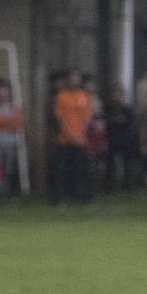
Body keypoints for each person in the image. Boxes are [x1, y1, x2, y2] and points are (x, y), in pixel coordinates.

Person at [50, 70, 94, 204]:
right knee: (62, 170)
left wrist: (80, 135)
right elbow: (60, 119)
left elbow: (87, 118)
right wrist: (70, 135)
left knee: (80, 170)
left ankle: (80, 197)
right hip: (64, 140)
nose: (74, 81)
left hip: (81, 140)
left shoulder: (84, 96)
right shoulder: (61, 97)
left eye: (77, 78)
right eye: (72, 78)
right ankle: (61, 197)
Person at [104, 83, 137, 191]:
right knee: (111, 163)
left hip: (125, 140)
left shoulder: (127, 110)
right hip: (112, 139)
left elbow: (131, 124)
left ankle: (128, 185)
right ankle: (110, 185)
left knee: (127, 163)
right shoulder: (109, 109)